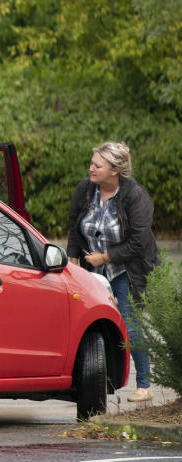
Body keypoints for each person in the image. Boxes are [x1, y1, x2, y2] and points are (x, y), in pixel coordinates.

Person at [67, 141, 159, 402]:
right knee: (89, 322)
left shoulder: (135, 196)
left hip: (126, 270)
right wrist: (73, 260)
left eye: (97, 164)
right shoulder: (85, 190)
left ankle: (144, 385)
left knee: (130, 324)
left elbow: (139, 242)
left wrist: (105, 257)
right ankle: (90, 381)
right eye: (92, 162)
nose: (91, 168)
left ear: (115, 169)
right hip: (91, 269)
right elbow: (74, 226)